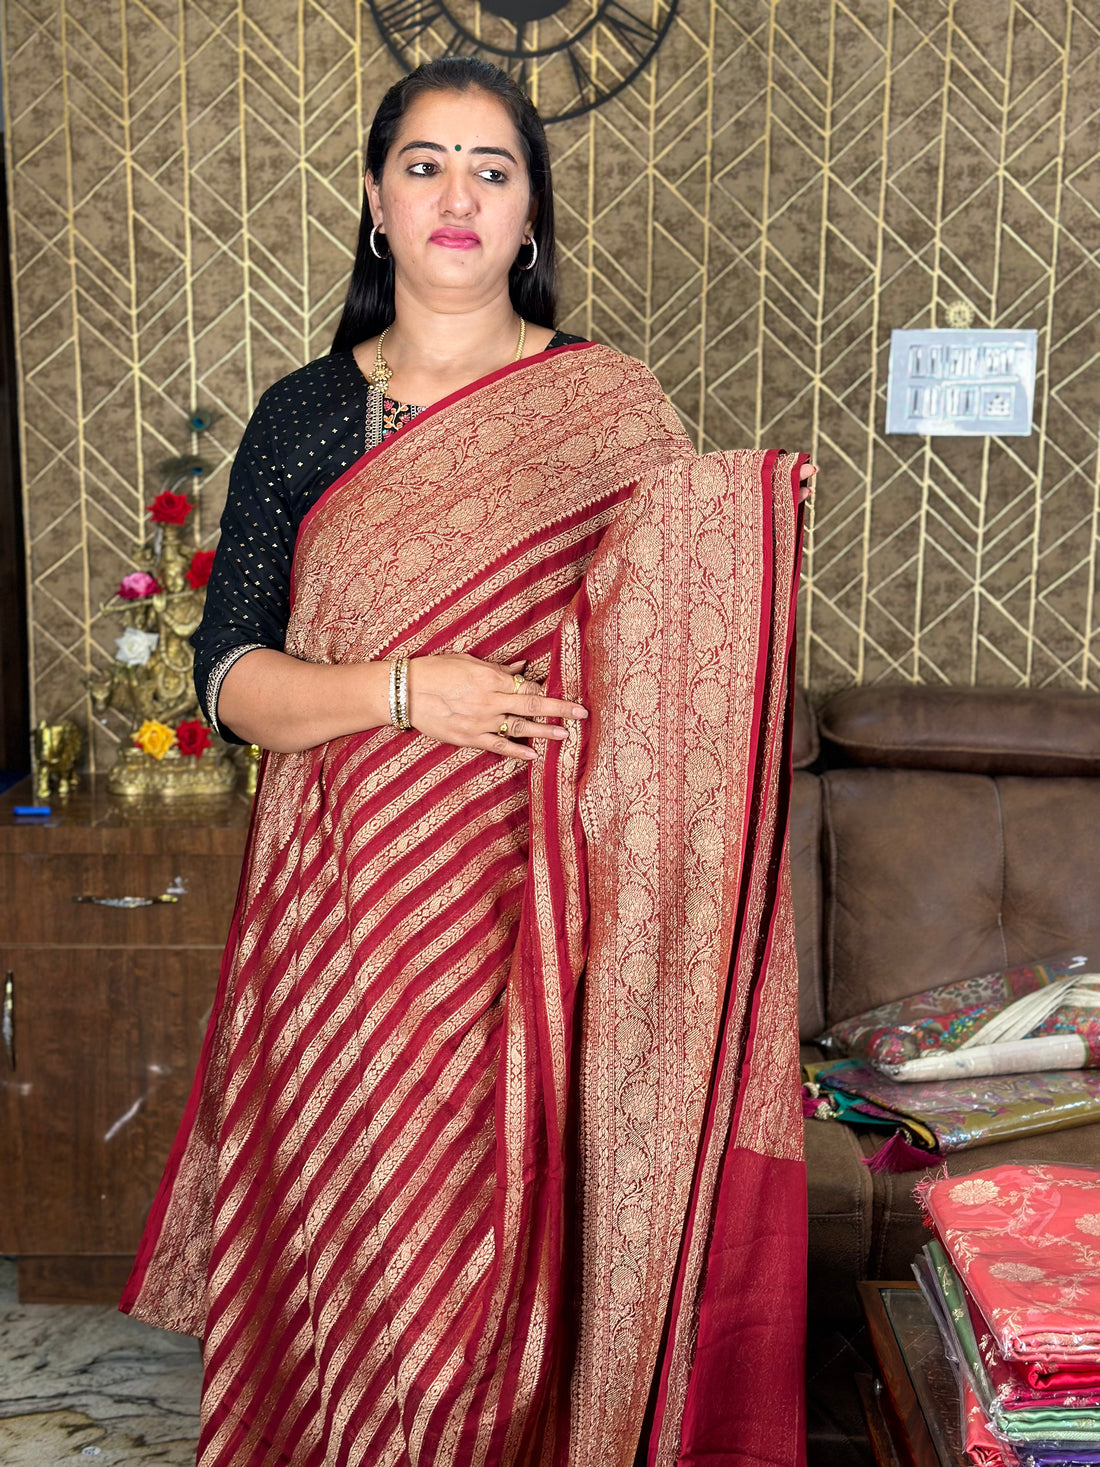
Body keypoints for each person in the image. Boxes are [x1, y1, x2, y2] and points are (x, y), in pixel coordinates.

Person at [121, 57, 817, 1467]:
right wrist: (401, 692)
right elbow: (230, 683)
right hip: (344, 920)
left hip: (538, 917)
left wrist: (750, 536)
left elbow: (686, 669)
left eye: (491, 171)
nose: (457, 194)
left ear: (530, 219)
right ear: (377, 204)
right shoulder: (305, 415)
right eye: (425, 165)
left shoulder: (610, 413)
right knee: (357, 1231)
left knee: (487, 1250)